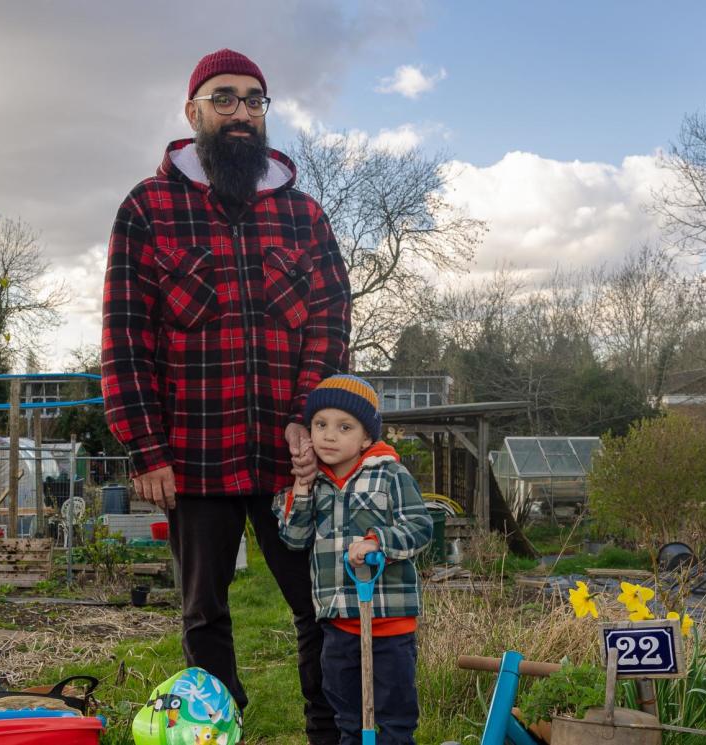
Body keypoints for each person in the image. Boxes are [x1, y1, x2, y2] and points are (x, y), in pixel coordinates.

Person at [101, 48, 351, 744]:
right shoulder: (148, 210)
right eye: (224, 98)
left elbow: (330, 320)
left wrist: (312, 420)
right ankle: (212, 732)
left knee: (319, 604)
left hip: (290, 456)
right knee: (203, 612)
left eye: (253, 100)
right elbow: (125, 337)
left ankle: (328, 730)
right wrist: (146, 447)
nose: (241, 112)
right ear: (193, 112)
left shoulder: (303, 216)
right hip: (193, 453)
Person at [275, 375, 433, 744]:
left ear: (365, 437)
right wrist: (300, 489)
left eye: (344, 427)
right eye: (320, 425)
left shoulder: (390, 475)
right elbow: (294, 538)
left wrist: (379, 541)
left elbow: (421, 526)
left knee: (395, 716)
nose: (329, 436)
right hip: (340, 626)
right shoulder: (314, 484)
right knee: (348, 717)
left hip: (390, 621)